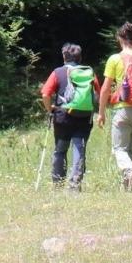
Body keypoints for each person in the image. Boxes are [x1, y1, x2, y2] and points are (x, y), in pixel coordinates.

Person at [96, 23, 132, 191]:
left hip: (123, 109)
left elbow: (106, 88)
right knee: (131, 149)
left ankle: (129, 173)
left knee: (119, 149)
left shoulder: (114, 59)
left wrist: (101, 113)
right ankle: (129, 188)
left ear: (119, 39)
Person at [38, 43, 100, 191]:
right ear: (80, 57)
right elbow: (98, 94)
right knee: (79, 147)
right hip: (85, 116)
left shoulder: (58, 72)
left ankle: (58, 183)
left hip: (63, 116)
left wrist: (50, 109)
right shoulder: (89, 72)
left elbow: (45, 94)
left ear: (64, 57)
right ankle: (75, 184)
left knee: (60, 150)